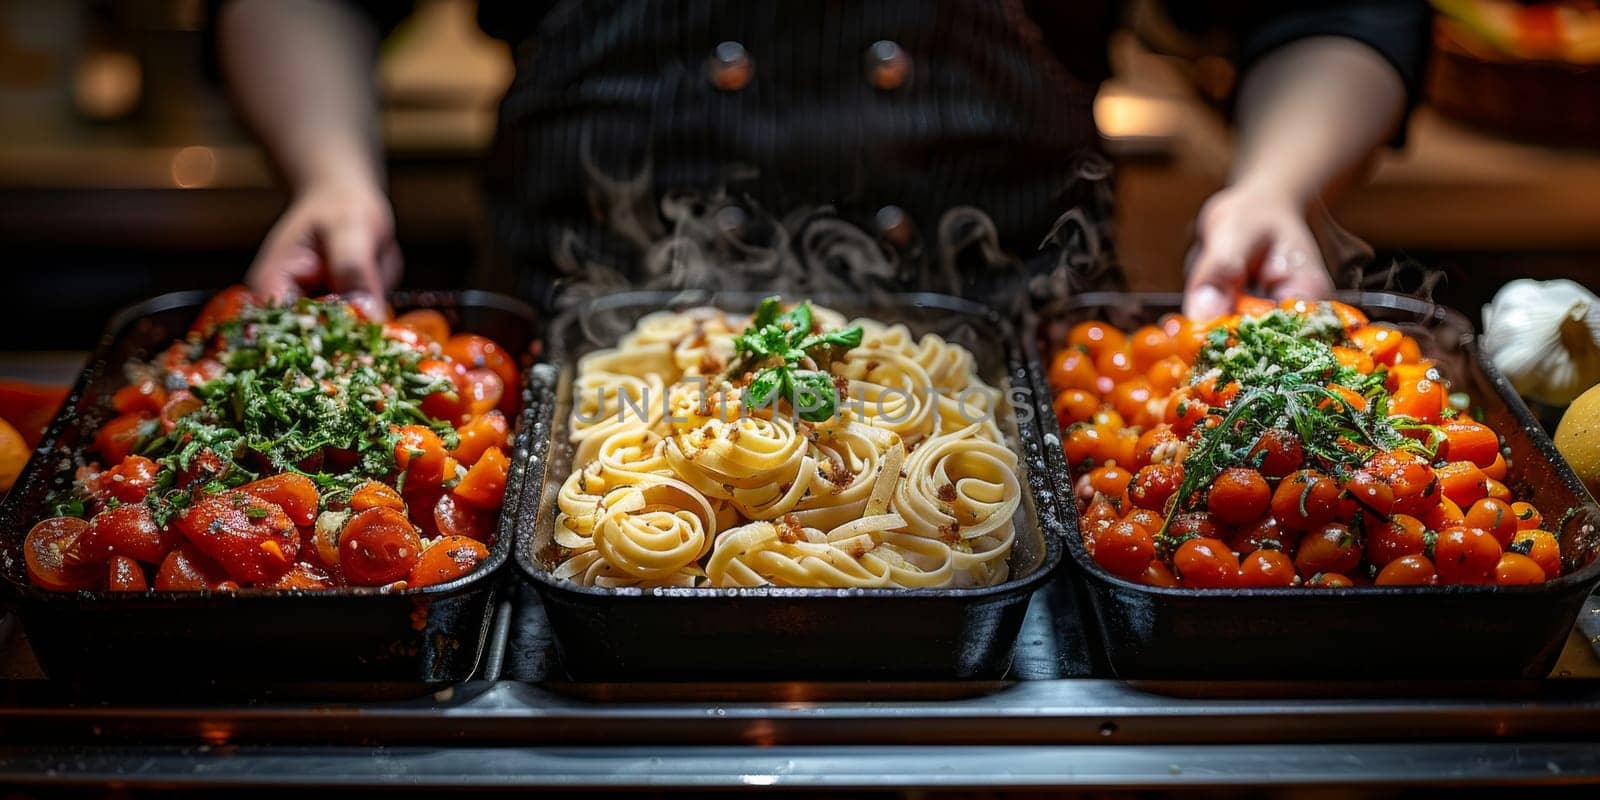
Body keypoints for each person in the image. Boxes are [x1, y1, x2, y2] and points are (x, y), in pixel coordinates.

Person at [217, 0, 1427, 321]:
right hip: (573, 351)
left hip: (1017, 353)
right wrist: (332, 173)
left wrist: (1278, 182)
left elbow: (1335, 8)